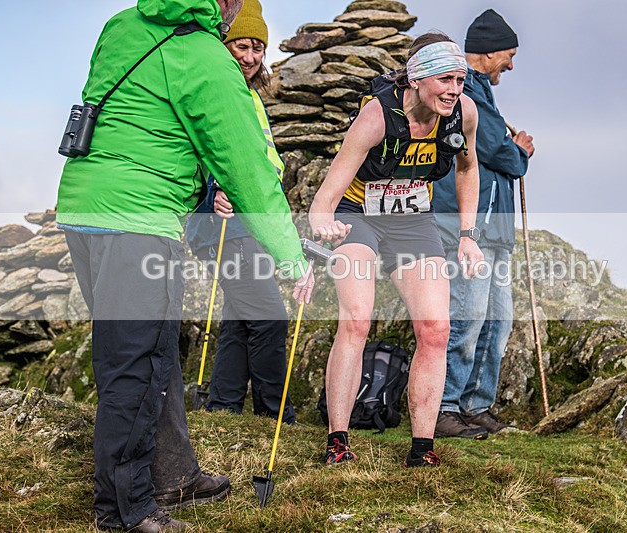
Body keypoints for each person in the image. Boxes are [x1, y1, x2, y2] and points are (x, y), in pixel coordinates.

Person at [55, 0, 313, 530]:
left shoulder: (121, 26)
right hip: (139, 220)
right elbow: (246, 169)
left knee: (155, 355)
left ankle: (175, 473)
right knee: (134, 368)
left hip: (82, 210)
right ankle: (126, 511)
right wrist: (289, 255)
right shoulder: (204, 57)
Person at [309, 32, 484, 468]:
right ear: (418, 77)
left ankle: (422, 448)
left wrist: (468, 234)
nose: (454, 90)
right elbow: (324, 199)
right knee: (356, 320)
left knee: (436, 330)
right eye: (446, 79)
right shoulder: (376, 116)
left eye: (460, 80)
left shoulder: (463, 114)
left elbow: (468, 169)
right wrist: (322, 226)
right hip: (358, 213)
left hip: (412, 221)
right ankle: (338, 440)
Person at [185, 0, 296, 425]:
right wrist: (209, 195)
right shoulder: (215, 87)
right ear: (223, 44)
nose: (250, 57)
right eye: (241, 46)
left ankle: (223, 406)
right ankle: (274, 414)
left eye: (258, 48)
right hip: (225, 227)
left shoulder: (247, 95)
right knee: (269, 316)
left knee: (240, 317)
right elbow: (197, 151)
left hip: (250, 223)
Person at [432, 9, 536, 439]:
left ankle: (475, 403)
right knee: (469, 315)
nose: (510, 65)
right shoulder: (468, 93)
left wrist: (512, 150)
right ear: (488, 52)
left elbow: (498, 150)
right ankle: (445, 406)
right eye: (507, 55)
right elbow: (501, 154)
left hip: (494, 230)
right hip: (470, 228)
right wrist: (522, 151)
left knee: (496, 320)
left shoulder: (483, 95)